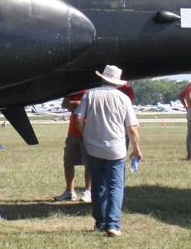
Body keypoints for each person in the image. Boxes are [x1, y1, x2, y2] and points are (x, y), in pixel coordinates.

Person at [76, 65, 142, 238]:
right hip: (116, 148)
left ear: (103, 78)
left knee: (99, 186)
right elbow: (132, 128)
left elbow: (78, 117)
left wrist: (85, 134)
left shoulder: (90, 94)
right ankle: (113, 224)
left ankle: (100, 222)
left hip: (93, 146)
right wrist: (136, 149)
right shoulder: (123, 98)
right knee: (115, 186)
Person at [54, 91, 91, 203]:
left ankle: (88, 192)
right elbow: (64, 104)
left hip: (89, 132)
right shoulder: (75, 88)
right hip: (73, 132)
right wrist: (82, 103)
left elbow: (94, 104)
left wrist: (75, 103)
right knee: (68, 162)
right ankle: (69, 192)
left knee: (89, 164)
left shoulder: (93, 90)